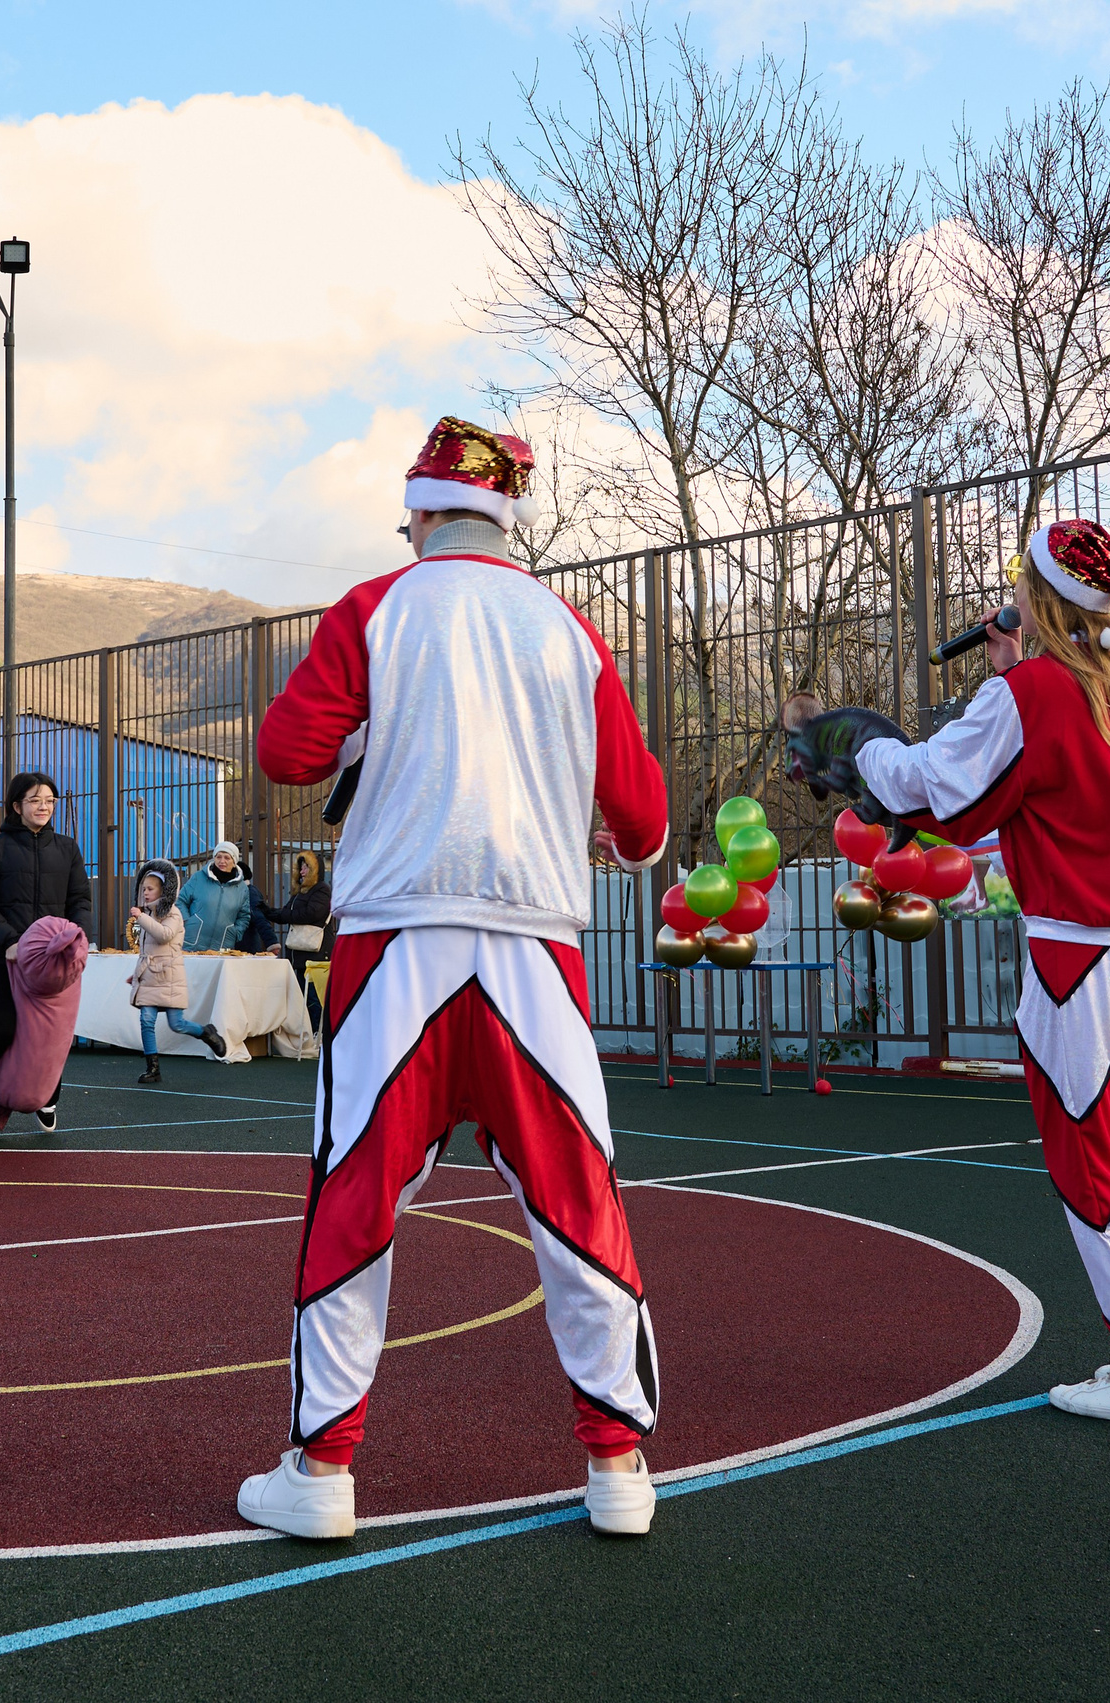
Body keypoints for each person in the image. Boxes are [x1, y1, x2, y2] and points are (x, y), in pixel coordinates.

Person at [237, 415, 671, 1541]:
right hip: (537, 943)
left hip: (394, 942)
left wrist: (366, 735)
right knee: (578, 1200)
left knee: (356, 1198)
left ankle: (322, 1468)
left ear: (422, 512)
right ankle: (618, 1460)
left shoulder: (374, 609)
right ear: (507, 516)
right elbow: (642, 821)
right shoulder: (569, 628)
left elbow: (285, 754)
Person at [792, 515, 1110, 1432]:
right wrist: (1008, 669)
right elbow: (1051, 762)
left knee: (1085, 1162)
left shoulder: (1035, 691)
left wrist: (857, 744)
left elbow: (920, 786)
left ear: (1038, 597)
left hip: (1081, 951)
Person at [0, 772, 95, 1132]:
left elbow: (80, 900)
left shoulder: (67, 848)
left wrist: (77, 938)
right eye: (35, 800)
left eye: (50, 800)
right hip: (8, 954)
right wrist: (10, 941)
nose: (43, 807)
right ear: (17, 805)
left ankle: (49, 1093)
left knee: (52, 1031)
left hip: (56, 958)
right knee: (3, 1023)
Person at [125, 860, 226, 1083]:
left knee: (177, 1023)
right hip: (150, 977)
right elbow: (146, 951)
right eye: (144, 889)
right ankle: (153, 1068)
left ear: (162, 890)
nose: (146, 893)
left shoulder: (173, 913)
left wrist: (140, 917)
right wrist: (138, 974)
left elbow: (164, 935)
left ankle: (207, 1032)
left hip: (169, 976)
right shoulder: (149, 914)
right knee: (146, 1019)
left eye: (150, 889)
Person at [254, 849, 335, 1032]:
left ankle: (318, 1033)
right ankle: (306, 1032)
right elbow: (287, 913)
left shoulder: (322, 890)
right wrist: (269, 912)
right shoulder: (300, 892)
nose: (302, 871)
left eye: (306, 867)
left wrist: (284, 914)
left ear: (315, 870)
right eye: (301, 867)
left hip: (316, 953)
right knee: (301, 995)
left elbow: (311, 913)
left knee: (314, 997)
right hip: (299, 953)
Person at [177, 840, 256, 953]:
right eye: (218, 857)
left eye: (227, 858)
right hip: (191, 944)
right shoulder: (198, 878)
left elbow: (244, 916)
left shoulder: (242, 888)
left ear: (234, 862)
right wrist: (187, 922)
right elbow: (181, 901)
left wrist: (235, 933)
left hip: (223, 947)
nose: (222, 861)